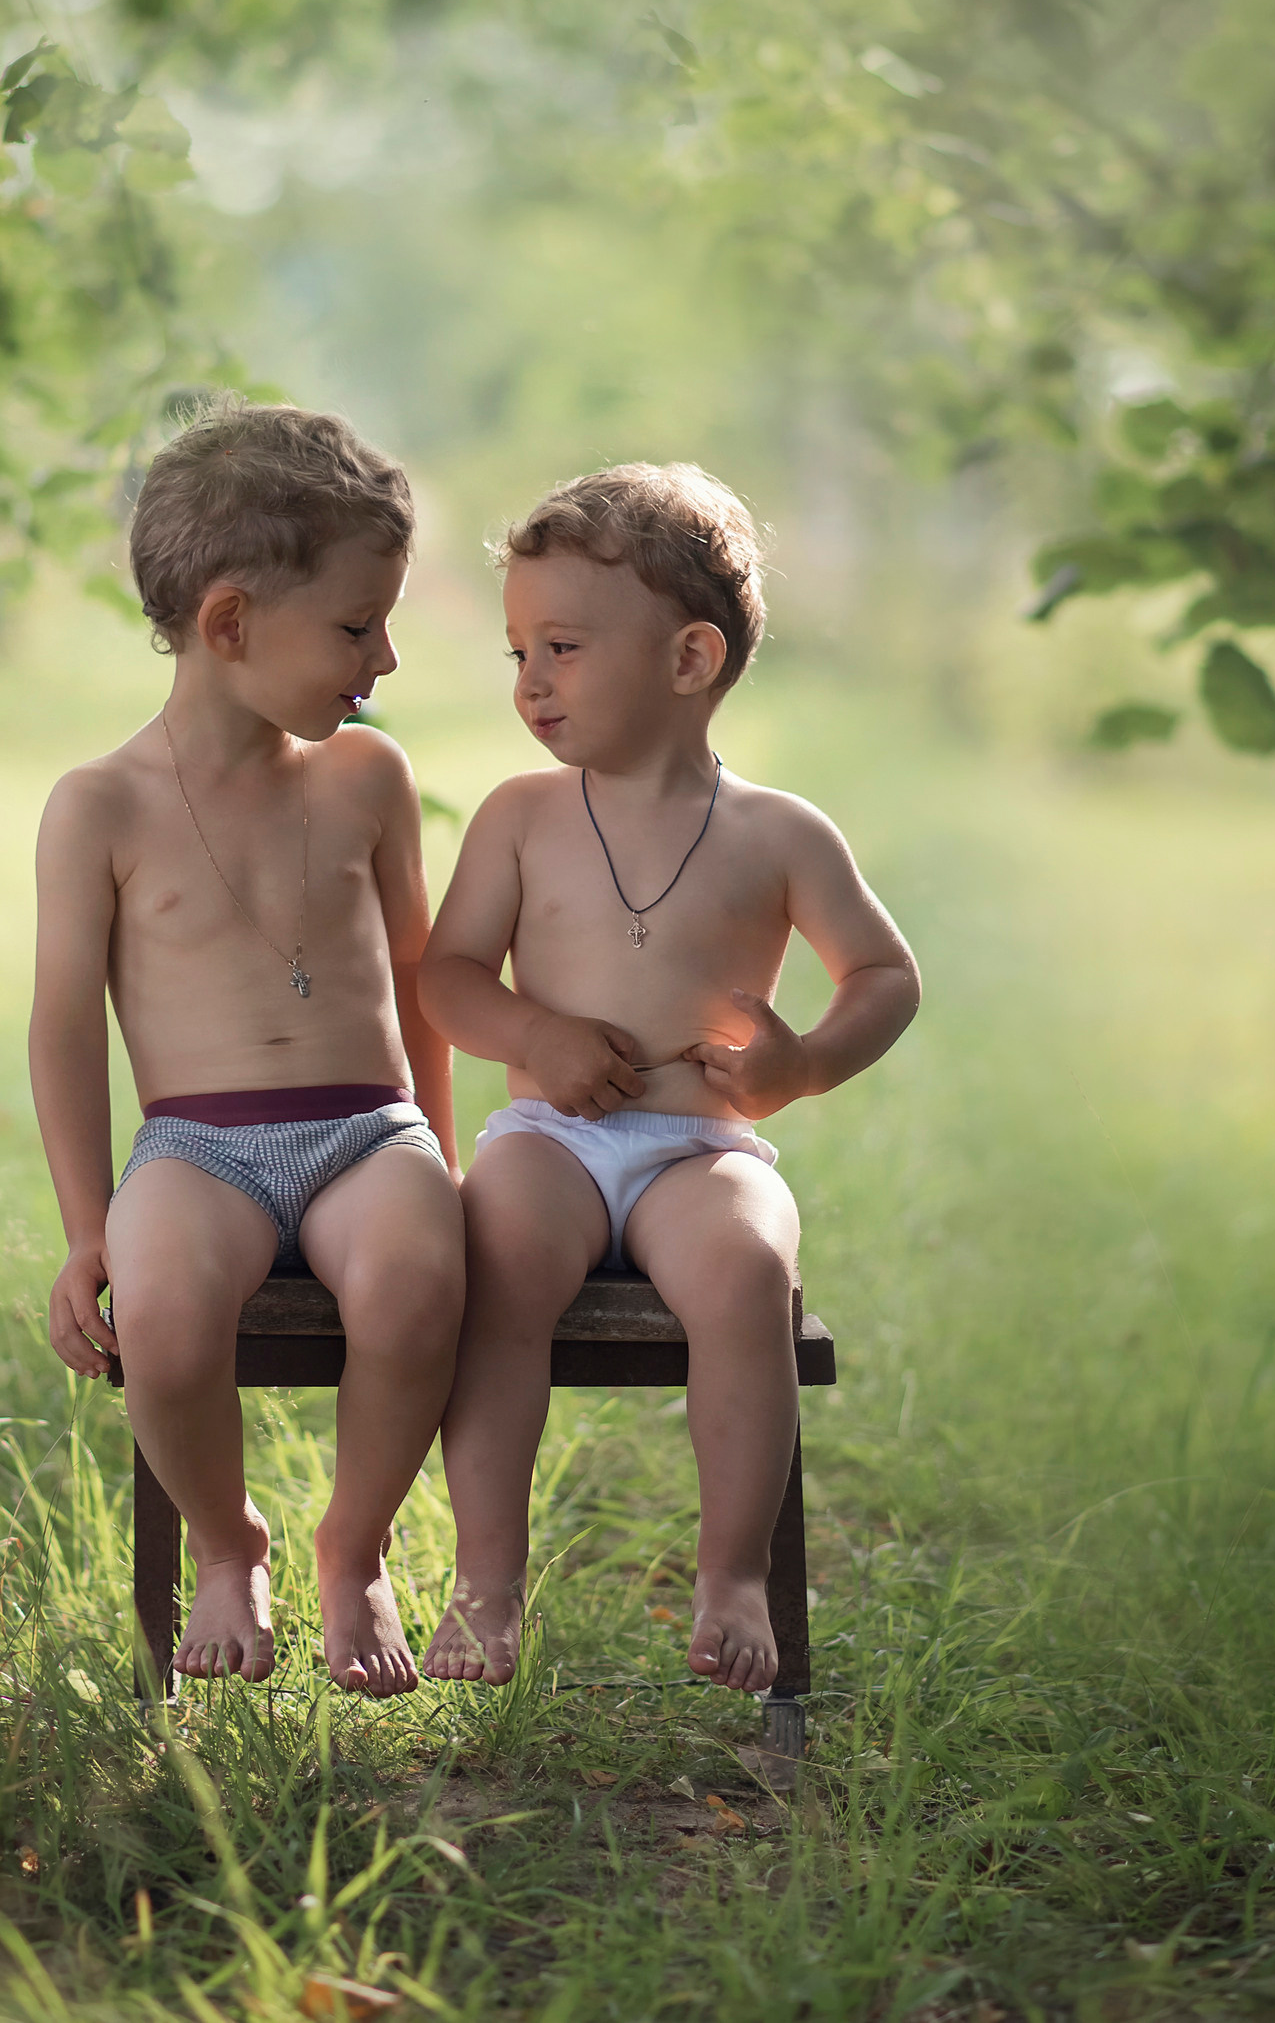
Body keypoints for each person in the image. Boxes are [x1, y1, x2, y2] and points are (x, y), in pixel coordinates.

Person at [416, 462, 920, 1692]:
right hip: (554, 1138)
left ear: (689, 661)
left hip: (700, 1148)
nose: (530, 680)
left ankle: (731, 1572)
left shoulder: (779, 833)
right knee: (499, 1259)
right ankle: (487, 1581)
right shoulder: (521, 817)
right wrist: (532, 1033)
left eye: (565, 646)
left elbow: (885, 975)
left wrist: (799, 1064)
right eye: (518, 648)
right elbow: (449, 975)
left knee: (748, 1268)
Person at [29, 400, 464, 1697]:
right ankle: (229, 1545)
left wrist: (435, 1154)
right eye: (352, 625)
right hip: (198, 1150)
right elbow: (62, 1026)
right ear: (229, 625)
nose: (382, 656)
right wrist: (87, 1223)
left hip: (364, 1131)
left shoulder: (366, 780)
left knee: (413, 1279)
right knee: (158, 1317)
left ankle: (355, 1547)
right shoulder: (101, 808)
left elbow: (423, 986)